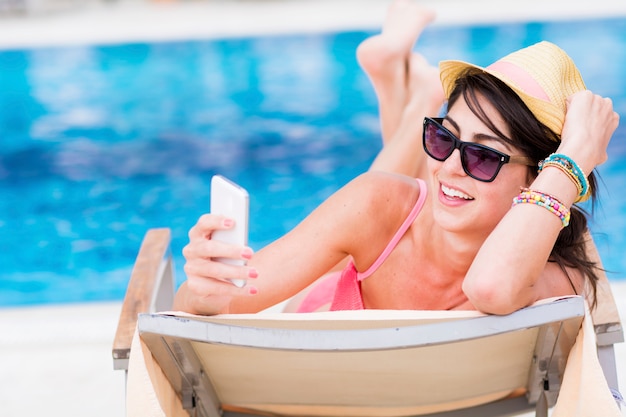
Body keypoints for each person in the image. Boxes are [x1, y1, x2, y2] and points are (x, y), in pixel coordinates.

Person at [173, 1, 619, 316]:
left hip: (350, 310)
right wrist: (203, 294)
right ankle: (410, 94)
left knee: (385, 208)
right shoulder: (380, 203)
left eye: (484, 156)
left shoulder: (549, 274)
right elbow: (201, 307)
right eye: (443, 137)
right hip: (347, 281)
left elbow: (488, 287)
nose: (450, 165)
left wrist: (573, 160)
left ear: (536, 179)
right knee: (384, 202)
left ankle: (407, 92)